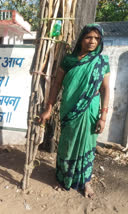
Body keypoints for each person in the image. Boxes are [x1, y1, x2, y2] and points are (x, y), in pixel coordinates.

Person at [39, 24, 110, 198]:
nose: (92, 41)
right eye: (88, 37)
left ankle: (85, 182)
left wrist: (103, 117)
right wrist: (49, 107)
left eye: (96, 38)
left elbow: (105, 89)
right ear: (81, 39)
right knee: (67, 143)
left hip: (91, 110)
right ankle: (63, 178)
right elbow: (56, 84)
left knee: (88, 144)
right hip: (70, 109)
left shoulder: (102, 62)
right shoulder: (69, 61)